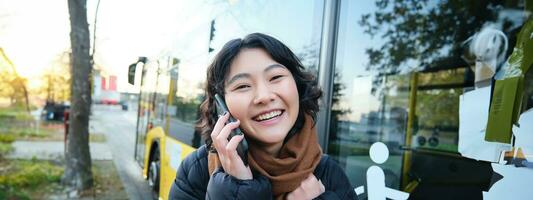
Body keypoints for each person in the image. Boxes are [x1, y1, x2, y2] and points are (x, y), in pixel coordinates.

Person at [169, 33, 357, 200]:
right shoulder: (196, 171)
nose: (264, 97)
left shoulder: (329, 173)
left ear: (298, 88)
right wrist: (236, 188)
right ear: (221, 106)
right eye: (243, 86)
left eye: (275, 77)